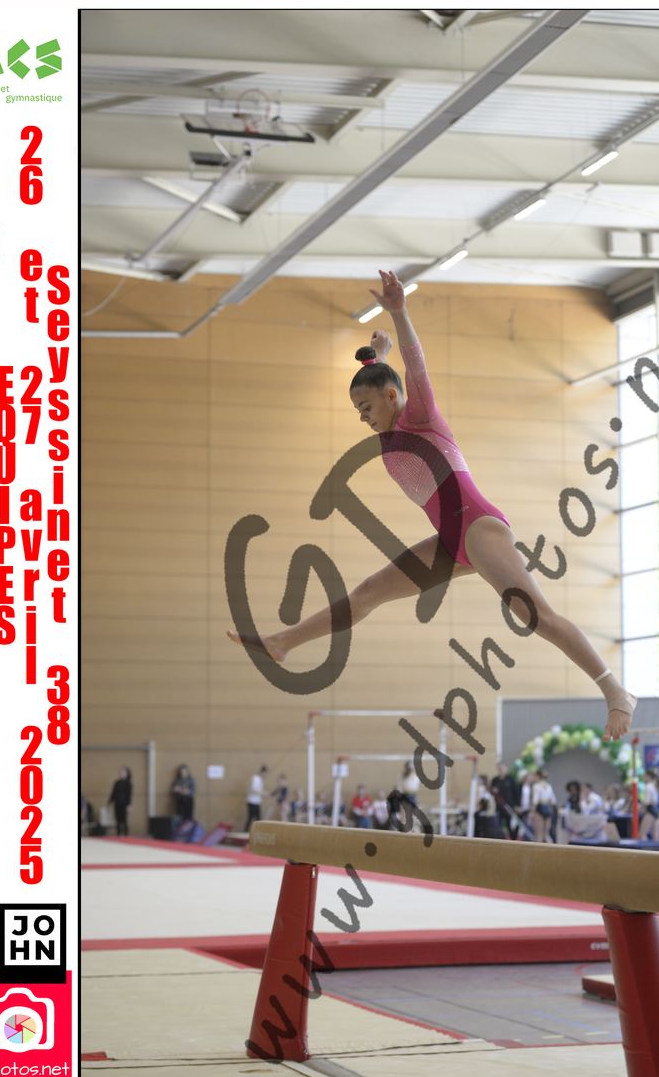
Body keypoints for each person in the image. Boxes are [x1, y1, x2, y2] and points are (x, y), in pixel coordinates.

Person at [227, 269, 636, 743]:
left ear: (391, 398)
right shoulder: (390, 426)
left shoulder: (420, 417)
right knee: (368, 592)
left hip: (479, 528)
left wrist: (399, 313)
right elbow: (386, 379)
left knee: (534, 615)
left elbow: (415, 367)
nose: (363, 419)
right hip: (450, 540)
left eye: (366, 409)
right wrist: (377, 356)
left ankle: (614, 690)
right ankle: (283, 642)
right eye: (358, 412)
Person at [489, 762, 520, 838]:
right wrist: (493, 791)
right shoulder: (495, 780)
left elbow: (517, 792)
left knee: (511, 825)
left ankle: (513, 839)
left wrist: (517, 805)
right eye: (499, 769)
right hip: (499, 806)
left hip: (509, 806)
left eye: (502, 768)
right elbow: (491, 791)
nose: (501, 770)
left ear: (506, 769)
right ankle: (500, 838)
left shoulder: (511, 779)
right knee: (498, 823)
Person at [531, 769, 557, 843]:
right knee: (546, 835)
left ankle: (537, 850)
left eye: (534, 776)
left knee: (539, 835)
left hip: (540, 808)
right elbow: (553, 800)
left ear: (538, 776)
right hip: (548, 808)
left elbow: (535, 800)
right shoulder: (548, 786)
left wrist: (532, 812)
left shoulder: (536, 786)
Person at [108, 767, 133, 836]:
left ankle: (126, 835)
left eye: (123, 772)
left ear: (126, 774)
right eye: (121, 772)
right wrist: (110, 801)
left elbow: (129, 794)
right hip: (117, 802)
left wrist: (129, 805)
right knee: (117, 819)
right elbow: (113, 792)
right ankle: (118, 834)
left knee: (124, 819)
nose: (121, 773)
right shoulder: (117, 782)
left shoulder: (128, 783)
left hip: (124, 803)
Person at [640, 768, 659, 842]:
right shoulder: (655, 785)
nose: (643, 778)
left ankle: (644, 849)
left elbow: (647, 801)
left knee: (643, 834)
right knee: (656, 835)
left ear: (649, 776)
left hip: (650, 810)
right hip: (656, 810)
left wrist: (642, 807)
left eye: (645, 776)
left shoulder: (648, 786)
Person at [246, 764, 268, 831]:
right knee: (251, 818)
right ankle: (245, 831)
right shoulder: (255, 778)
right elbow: (254, 789)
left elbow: (259, 790)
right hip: (252, 801)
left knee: (258, 818)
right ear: (262, 772)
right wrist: (263, 793)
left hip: (257, 802)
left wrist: (265, 793)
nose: (265, 775)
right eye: (265, 773)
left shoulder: (261, 780)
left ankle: (258, 832)